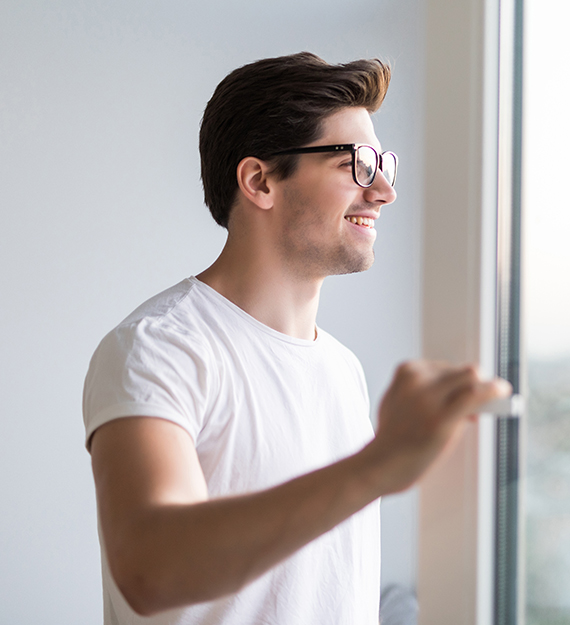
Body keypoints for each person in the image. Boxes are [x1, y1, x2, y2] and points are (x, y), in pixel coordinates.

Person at [82, 52, 510, 624]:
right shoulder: (158, 348)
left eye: (384, 163)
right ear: (259, 181)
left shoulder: (342, 368)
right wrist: (377, 465)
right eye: (355, 164)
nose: (383, 190)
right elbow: (149, 570)